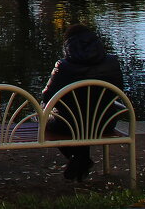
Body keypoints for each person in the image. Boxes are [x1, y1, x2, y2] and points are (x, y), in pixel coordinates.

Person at [41, 23, 124, 181]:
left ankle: (80, 157)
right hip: (104, 122)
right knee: (85, 120)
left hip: (68, 125)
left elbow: (48, 97)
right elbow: (118, 91)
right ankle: (81, 158)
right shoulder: (112, 62)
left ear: (68, 45)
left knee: (43, 114)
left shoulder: (63, 66)